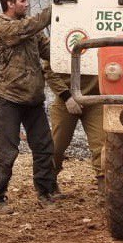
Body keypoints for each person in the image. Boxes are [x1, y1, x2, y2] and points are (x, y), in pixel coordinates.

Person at [0, 0, 57, 212]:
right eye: (23, 1)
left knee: (44, 147)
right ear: (10, 3)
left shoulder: (31, 29)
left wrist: (75, 46)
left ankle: (46, 193)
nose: (27, 4)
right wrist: (53, 9)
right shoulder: (2, 26)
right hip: (11, 98)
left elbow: (49, 50)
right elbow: (26, 28)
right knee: (8, 151)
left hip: (34, 98)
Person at [43, 59, 105, 194]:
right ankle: (49, 184)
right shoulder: (60, 40)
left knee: (102, 145)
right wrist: (67, 97)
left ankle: (104, 186)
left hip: (96, 98)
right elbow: (49, 69)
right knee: (56, 145)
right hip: (65, 99)